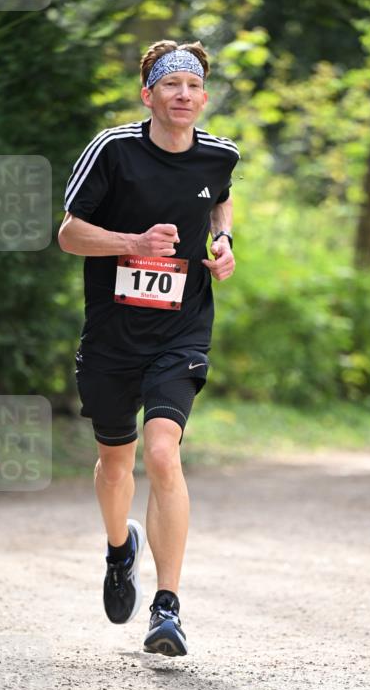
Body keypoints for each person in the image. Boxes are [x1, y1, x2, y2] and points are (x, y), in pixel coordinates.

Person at [58, 40, 239, 657]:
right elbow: (69, 234)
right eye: (170, 86)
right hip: (112, 336)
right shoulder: (113, 150)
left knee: (163, 454)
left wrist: (224, 241)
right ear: (149, 96)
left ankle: (167, 606)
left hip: (180, 331)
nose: (182, 95)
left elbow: (219, 199)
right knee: (116, 463)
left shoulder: (220, 156)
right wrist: (132, 240)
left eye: (193, 86)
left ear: (203, 97)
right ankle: (118, 551)